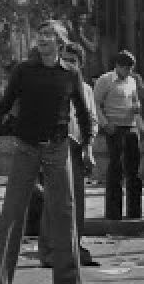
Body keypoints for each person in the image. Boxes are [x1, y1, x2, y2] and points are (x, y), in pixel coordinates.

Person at [0, 20, 93, 284]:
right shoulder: (24, 71)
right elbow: (5, 103)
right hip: (26, 147)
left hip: (58, 147)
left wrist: (88, 146)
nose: (42, 38)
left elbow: (83, 113)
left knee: (64, 213)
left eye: (49, 35)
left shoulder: (70, 74)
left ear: (60, 42)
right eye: (40, 34)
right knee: (12, 211)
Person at [37, 41, 100, 268]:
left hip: (77, 147)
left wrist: (88, 148)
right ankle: (48, 249)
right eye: (66, 60)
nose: (69, 65)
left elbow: (90, 120)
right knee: (53, 200)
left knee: (77, 201)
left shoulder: (86, 90)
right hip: (54, 145)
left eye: (73, 61)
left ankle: (75, 245)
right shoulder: (52, 83)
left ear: (81, 65)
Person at [93, 50, 144, 220]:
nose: (129, 71)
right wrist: (104, 123)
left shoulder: (132, 80)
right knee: (116, 169)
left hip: (131, 126)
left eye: (131, 68)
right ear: (118, 66)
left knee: (134, 170)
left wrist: (138, 116)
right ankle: (114, 213)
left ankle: (134, 211)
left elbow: (135, 100)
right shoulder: (105, 80)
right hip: (114, 127)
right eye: (126, 68)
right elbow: (95, 103)